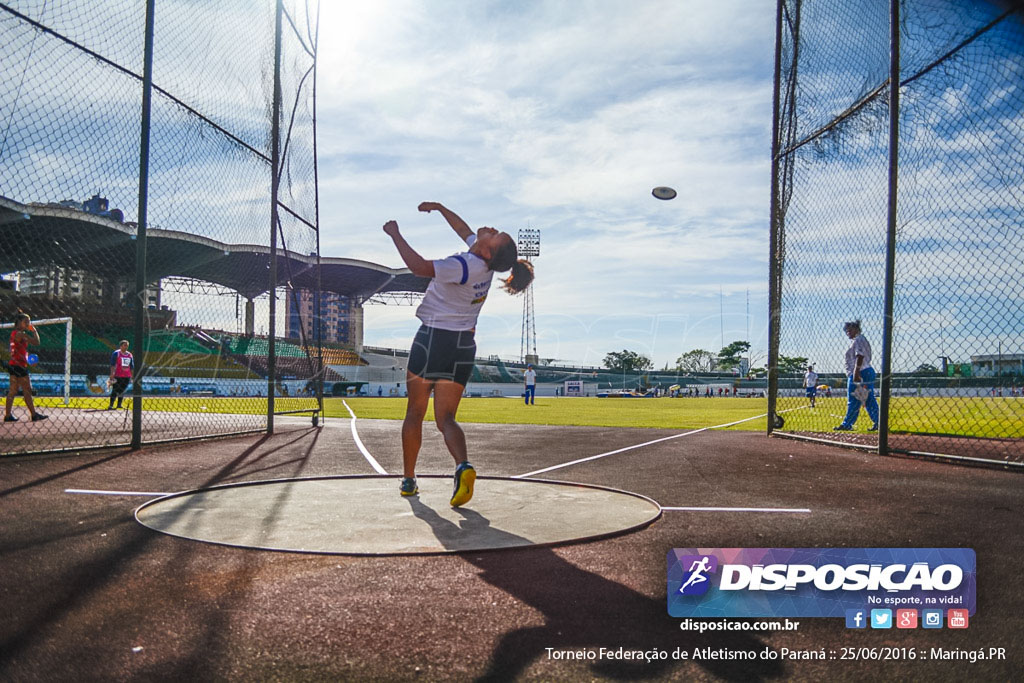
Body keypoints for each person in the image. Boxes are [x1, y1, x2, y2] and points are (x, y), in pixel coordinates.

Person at [384, 202, 534, 506]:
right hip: (463, 346)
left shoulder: (463, 266)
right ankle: (463, 466)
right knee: (446, 419)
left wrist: (395, 235)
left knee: (415, 412)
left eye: (494, 234)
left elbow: (420, 267)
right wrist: (440, 208)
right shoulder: (483, 264)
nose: (489, 229)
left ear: (488, 251)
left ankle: (409, 480)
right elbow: (464, 231)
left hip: (433, 339)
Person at [834, 320, 879, 431]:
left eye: (849, 329)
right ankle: (878, 422)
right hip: (865, 371)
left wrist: (856, 372)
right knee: (868, 399)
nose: (847, 332)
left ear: (856, 329)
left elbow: (860, 356)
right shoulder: (859, 340)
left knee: (854, 398)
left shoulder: (859, 339)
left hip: (861, 372)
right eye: (846, 330)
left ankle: (847, 424)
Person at [4, 311, 48, 423]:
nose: (28, 324)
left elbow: (20, 350)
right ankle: (33, 415)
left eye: (29, 322)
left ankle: (9, 415)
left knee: (14, 391)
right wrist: (34, 330)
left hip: (15, 364)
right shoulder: (20, 334)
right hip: (18, 365)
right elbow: (36, 342)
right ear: (19, 322)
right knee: (26, 390)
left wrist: (27, 358)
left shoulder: (15, 333)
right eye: (26, 322)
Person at [108, 339, 135, 410]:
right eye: (124, 345)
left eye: (127, 345)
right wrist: (112, 373)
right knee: (115, 390)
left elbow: (131, 366)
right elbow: (112, 364)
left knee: (122, 390)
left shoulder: (130, 355)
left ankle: (119, 405)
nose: (126, 347)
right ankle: (111, 405)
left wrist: (132, 376)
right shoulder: (116, 353)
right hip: (117, 375)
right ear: (120, 346)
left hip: (127, 376)